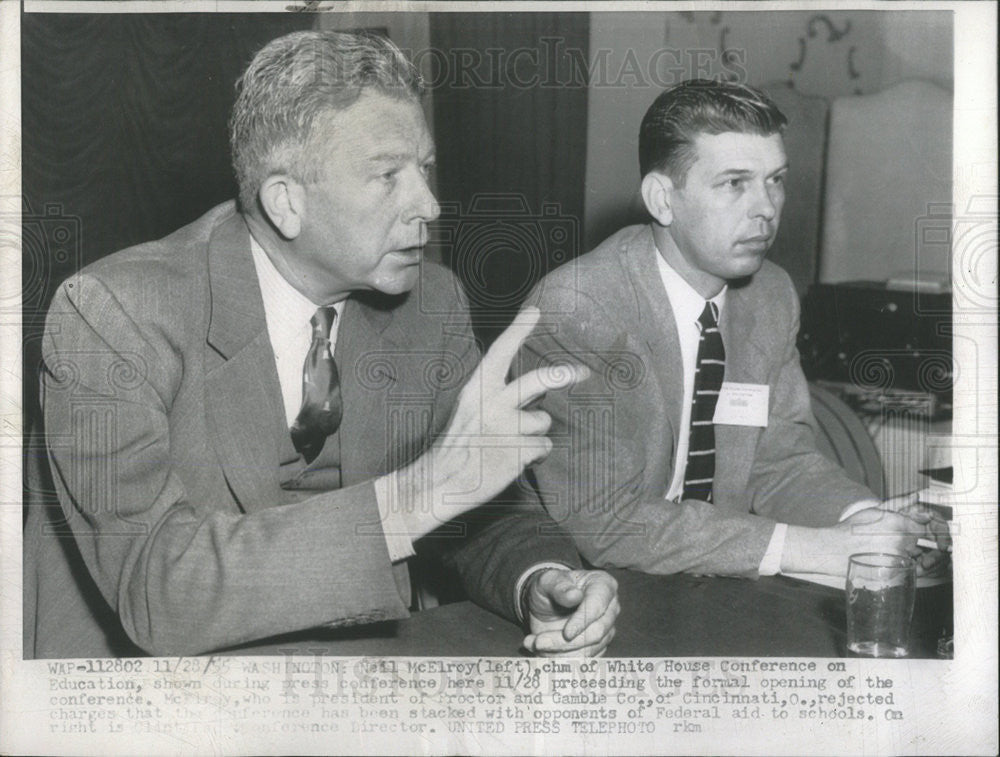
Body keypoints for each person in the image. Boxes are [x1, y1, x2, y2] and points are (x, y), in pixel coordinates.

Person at [23, 30, 619, 659]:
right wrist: (417, 495)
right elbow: (160, 588)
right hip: (137, 689)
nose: (430, 205)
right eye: (387, 175)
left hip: (340, 666)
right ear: (285, 203)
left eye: (425, 168)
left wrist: (544, 581)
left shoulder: (431, 304)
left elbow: (477, 505)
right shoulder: (112, 314)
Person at [518, 79, 949, 579]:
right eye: (735, 183)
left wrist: (867, 523)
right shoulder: (580, 309)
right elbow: (608, 522)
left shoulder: (770, 295)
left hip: (716, 572)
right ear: (662, 199)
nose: (766, 209)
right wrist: (815, 549)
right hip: (585, 583)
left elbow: (779, 461)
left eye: (776, 180)